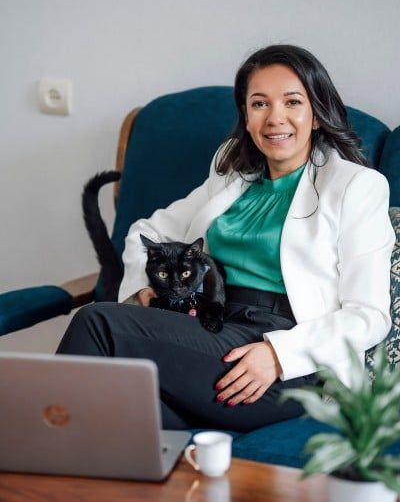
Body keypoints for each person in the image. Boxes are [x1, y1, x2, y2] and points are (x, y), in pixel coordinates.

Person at [57, 45, 395, 432]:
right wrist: (142, 291)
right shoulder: (232, 172)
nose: (275, 118)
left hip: (283, 357)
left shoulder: (356, 186)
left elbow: (369, 315)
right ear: (246, 117)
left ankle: (29, 451)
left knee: (97, 323)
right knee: (127, 403)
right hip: (209, 325)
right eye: (259, 104)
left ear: (316, 114)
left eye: (292, 102)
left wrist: (279, 354)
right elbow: (148, 231)